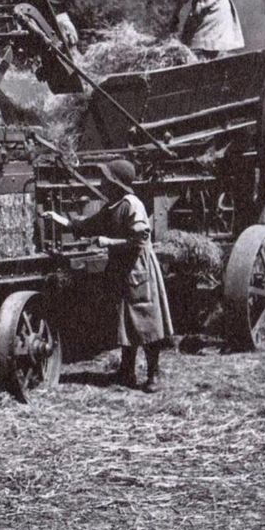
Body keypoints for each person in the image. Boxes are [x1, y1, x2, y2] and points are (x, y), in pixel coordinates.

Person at [39, 159, 174, 392]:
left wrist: (108, 241)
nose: (101, 183)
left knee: (146, 321)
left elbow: (140, 240)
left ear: (116, 183)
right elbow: (89, 226)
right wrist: (62, 221)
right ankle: (126, 371)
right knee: (126, 322)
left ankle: (154, 374)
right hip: (122, 269)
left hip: (137, 270)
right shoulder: (113, 205)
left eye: (105, 179)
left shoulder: (132, 204)